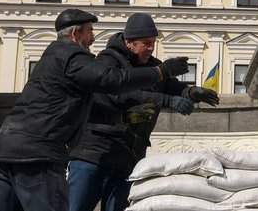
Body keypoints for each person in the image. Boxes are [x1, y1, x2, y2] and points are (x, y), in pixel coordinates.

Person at [0, 9, 191, 211]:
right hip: (37, 153)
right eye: (90, 31)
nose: (93, 38)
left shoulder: (51, 56)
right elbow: (112, 81)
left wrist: (187, 92)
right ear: (75, 33)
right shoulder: (72, 57)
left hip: (6, 147)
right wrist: (160, 71)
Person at [67, 13, 219, 211]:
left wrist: (191, 92)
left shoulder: (154, 65)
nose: (151, 48)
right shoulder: (107, 62)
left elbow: (170, 86)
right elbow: (120, 95)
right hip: (94, 154)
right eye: (146, 43)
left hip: (128, 157)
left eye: (153, 42)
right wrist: (167, 101)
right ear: (129, 42)